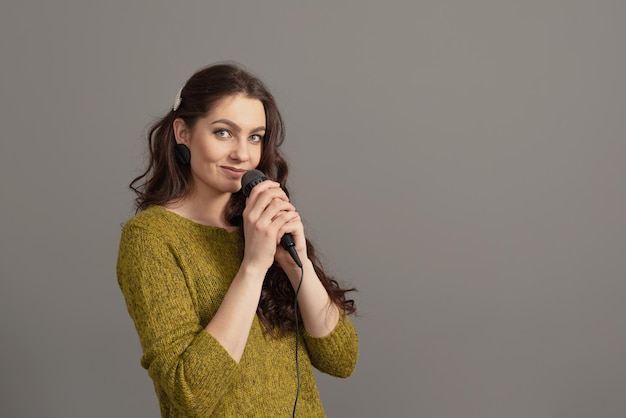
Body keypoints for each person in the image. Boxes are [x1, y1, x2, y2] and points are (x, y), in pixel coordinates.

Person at [116, 63, 358, 417]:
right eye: (223, 133)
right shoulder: (150, 239)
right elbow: (192, 393)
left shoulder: (261, 224)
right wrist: (253, 266)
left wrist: (296, 264)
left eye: (255, 137)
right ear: (182, 132)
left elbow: (342, 359)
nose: (243, 154)